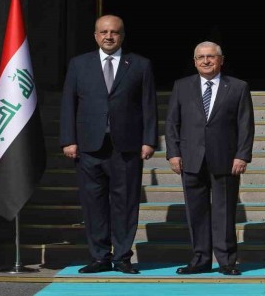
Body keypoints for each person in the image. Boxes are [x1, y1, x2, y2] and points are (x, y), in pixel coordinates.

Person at [59, 15, 157, 274]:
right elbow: (69, 103)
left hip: (126, 147)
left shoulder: (140, 64)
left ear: (122, 36)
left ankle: (123, 257)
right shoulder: (79, 64)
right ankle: (99, 257)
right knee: (93, 204)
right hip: (89, 146)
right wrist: (68, 139)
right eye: (103, 32)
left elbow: (148, 105)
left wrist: (149, 140)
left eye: (114, 32)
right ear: (95, 36)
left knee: (126, 204)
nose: (109, 36)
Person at [165, 41, 254, 276]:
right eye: (201, 57)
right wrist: (173, 153)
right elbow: (172, 123)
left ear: (221, 60)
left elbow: (245, 124)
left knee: (224, 212)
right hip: (191, 159)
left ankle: (226, 261)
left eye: (211, 57)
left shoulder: (238, 87)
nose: (206, 61)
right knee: (196, 212)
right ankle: (200, 260)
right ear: (194, 61)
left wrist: (242, 155)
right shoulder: (182, 86)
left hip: (226, 159)